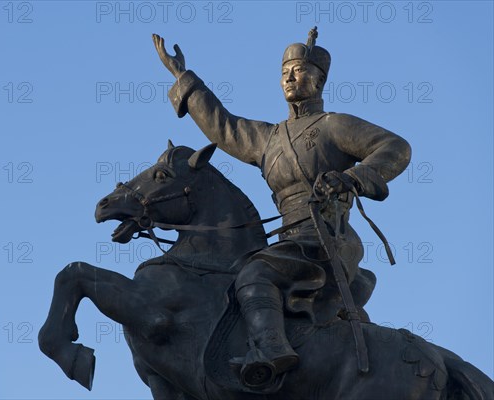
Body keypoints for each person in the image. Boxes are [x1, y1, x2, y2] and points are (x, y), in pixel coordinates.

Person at [152, 27, 411, 386]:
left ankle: (272, 349)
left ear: (319, 81)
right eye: (284, 72)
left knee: (255, 273)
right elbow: (224, 126)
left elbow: (395, 147)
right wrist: (183, 77)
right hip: (289, 240)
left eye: (300, 70)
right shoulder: (269, 138)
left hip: (327, 237)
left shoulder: (334, 125)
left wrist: (352, 178)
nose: (290, 77)